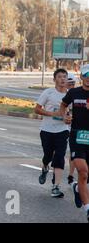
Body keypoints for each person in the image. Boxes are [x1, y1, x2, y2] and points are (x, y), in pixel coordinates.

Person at [60, 64, 89, 223]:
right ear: (81, 77)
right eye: (86, 75)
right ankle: (88, 209)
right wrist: (65, 116)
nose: (88, 79)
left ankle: (78, 188)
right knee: (83, 172)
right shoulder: (74, 92)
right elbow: (63, 105)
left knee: (86, 177)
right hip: (77, 136)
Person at [35, 69, 69, 198]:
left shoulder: (69, 95)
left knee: (59, 156)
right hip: (47, 130)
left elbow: (72, 112)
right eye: (59, 77)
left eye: (64, 77)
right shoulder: (48, 93)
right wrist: (53, 114)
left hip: (63, 130)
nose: (62, 79)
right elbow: (37, 109)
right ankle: (45, 167)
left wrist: (69, 118)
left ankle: (56, 186)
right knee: (48, 156)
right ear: (55, 79)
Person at [66, 73, 78, 184]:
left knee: (74, 152)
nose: (71, 85)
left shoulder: (77, 94)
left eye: (73, 83)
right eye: (69, 84)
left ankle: (71, 175)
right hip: (62, 128)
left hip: (76, 128)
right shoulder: (62, 95)